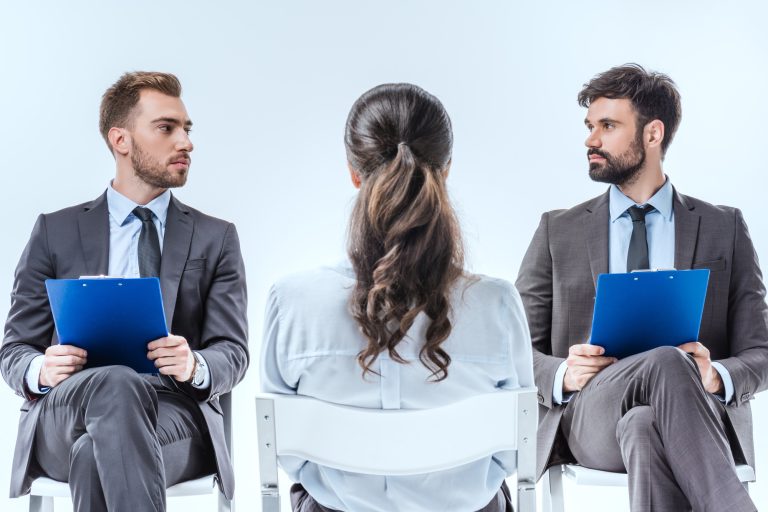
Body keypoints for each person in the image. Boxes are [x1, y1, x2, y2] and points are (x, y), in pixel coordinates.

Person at [261, 83, 533, 512]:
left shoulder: (292, 299)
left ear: (354, 172)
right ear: (445, 171)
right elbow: (515, 446)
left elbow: (285, 445)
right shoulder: (497, 303)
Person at [516, 63, 767, 511]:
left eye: (607, 126)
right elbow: (512, 348)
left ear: (653, 134)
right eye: (590, 126)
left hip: (694, 416)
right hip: (590, 420)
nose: (590, 140)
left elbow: (762, 350)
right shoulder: (558, 230)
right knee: (667, 362)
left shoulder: (723, 227)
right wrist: (561, 373)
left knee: (645, 425)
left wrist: (715, 375)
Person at [0, 71, 249, 511]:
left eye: (187, 129)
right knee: (115, 383)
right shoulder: (55, 232)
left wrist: (195, 364)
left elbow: (232, 351)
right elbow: (14, 349)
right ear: (121, 140)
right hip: (66, 409)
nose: (186, 143)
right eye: (166, 128)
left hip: (172, 413)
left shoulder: (217, 238)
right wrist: (41, 367)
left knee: (92, 457)